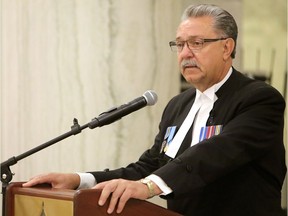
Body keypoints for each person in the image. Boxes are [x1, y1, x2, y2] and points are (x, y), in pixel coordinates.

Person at [23, 4, 286, 216]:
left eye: (197, 43)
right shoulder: (178, 105)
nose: (185, 53)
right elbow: (149, 166)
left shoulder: (259, 100)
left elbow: (214, 154)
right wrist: (81, 180)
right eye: (179, 44)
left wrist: (148, 187)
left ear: (227, 47)